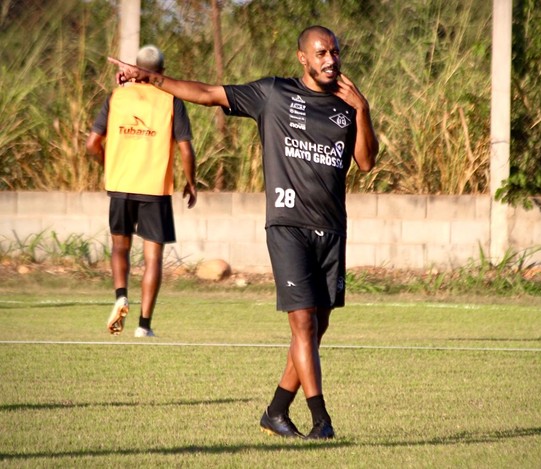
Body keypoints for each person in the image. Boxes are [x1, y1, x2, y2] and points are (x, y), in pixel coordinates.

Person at [109, 25, 378, 438]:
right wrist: (152, 78)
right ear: (302, 58)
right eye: (321, 53)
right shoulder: (273, 94)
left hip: (332, 229)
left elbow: (365, 162)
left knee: (316, 328)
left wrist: (362, 110)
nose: (330, 60)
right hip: (288, 226)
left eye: (335, 53)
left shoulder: (346, 107)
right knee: (303, 325)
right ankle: (321, 421)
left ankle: (275, 412)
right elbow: (207, 93)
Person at [87, 44, 197, 338]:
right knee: (152, 259)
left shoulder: (117, 97)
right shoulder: (171, 99)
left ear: (135, 67)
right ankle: (143, 326)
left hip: (121, 185)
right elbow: (186, 148)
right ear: (162, 71)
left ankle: (121, 294)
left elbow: (91, 144)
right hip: (154, 190)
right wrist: (191, 181)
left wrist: (108, 164)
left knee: (119, 247)